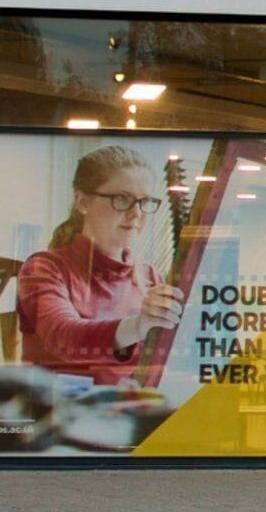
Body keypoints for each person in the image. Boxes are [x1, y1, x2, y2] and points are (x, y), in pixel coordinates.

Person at [15, 145, 180, 382]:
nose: (136, 214)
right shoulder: (44, 268)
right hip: (60, 413)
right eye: (122, 199)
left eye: (145, 202)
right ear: (82, 201)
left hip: (133, 412)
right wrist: (139, 326)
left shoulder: (150, 277)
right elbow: (65, 338)